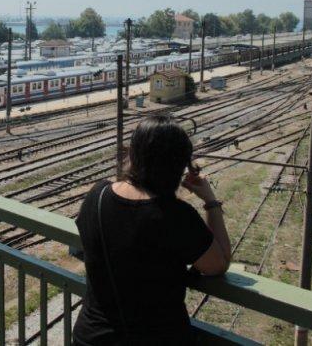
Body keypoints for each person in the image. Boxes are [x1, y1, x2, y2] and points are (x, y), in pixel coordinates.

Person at [73, 115, 231, 346]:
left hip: (91, 336)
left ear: (133, 155)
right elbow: (219, 263)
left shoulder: (98, 196)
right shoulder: (176, 216)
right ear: (178, 167)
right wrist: (211, 202)